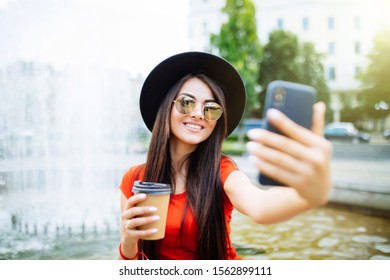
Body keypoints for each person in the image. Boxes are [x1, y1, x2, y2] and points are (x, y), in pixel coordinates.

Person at [118, 52, 332, 260]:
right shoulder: (135, 179)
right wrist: (128, 241)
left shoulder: (222, 170)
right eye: (186, 102)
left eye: (211, 109)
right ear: (167, 108)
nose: (198, 114)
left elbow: (261, 205)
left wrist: (309, 194)